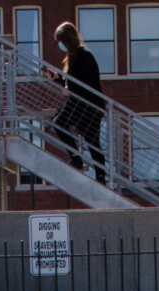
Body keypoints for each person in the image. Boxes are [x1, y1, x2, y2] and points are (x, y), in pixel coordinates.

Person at [47, 21, 107, 187]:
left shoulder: (84, 56)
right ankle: (83, 164)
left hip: (89, 105)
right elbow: (71, 82)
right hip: (81, 103)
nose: (60, 45)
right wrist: (58, 79)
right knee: (90, 139)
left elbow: (82, 82)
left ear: (68, 41)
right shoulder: (73, 57)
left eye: (62, 41)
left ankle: (90, 169)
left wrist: (67, 86)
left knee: (66, 126)